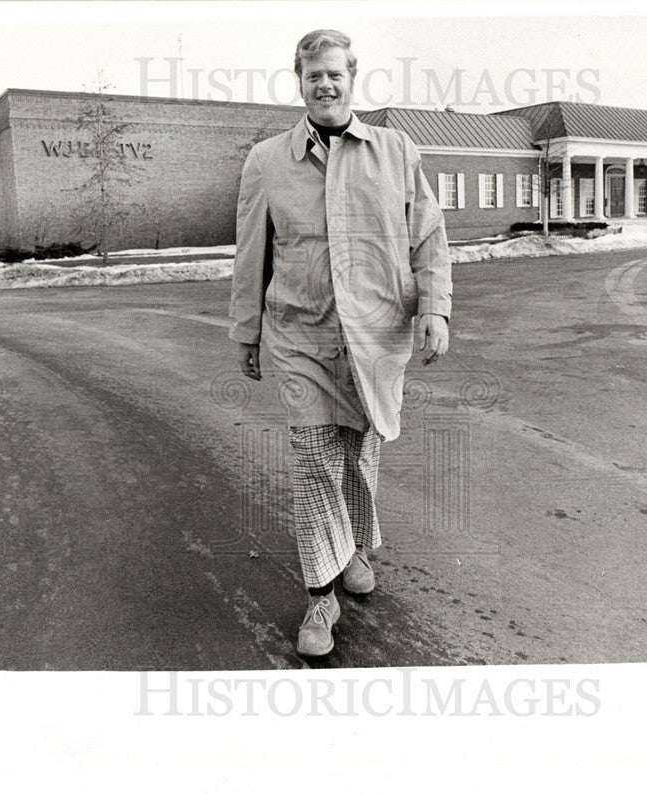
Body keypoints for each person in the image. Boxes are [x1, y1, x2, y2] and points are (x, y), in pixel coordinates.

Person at [229, 29, 452, 657]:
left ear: (353, 78)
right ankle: (320, 596)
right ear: (297, 82)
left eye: (334, 74)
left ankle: (352, 547)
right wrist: (246, 331)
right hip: (302, 334)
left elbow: (428, 240)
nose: (323, 85)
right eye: (311, 76)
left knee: (358, 455)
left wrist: (435, 311)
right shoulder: (267, 161)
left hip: (376, 337)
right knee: (312, 461)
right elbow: (252, 255)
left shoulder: (395, 151)